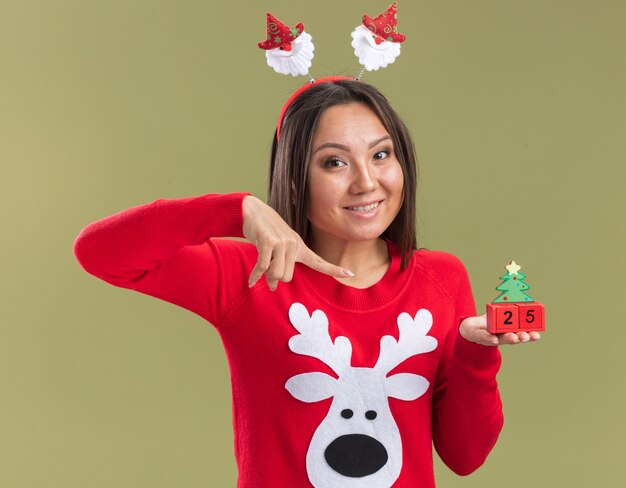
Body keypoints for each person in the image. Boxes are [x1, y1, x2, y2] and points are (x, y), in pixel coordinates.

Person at [73, 78, 540, 487]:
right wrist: (234, 210)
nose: (366, 182)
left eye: (381, 155)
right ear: (295, 180)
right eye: (335, 163)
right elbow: (100, 253)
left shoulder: (441, 279)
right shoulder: (249, 274)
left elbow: (465, 457)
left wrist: (475, 352)